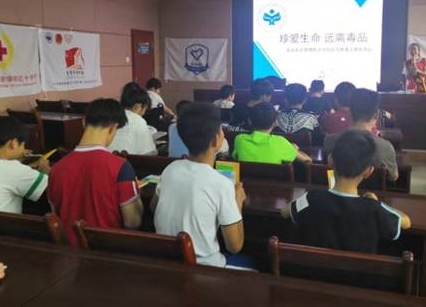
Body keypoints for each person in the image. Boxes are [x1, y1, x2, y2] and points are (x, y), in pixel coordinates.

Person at [281, 130, 411, 253]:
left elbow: (284, 212)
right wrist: (374, 201)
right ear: (369, 171)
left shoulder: (311, 198)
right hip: (356, 270)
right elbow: (406, 222)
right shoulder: (374, 208)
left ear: (330, 160)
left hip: (313, 269)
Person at [152, 102, 246, 268]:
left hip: (167, 260)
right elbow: (235, 246)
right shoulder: (221, 184)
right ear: (216, 139)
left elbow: (153, 207)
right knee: (254, 262)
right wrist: (237, 203)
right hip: (205, 268)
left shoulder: (170, 169)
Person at [48, 99, 143, 245]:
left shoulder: (56, 169)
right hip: (108, 250)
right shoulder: (121, 166)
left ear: (84, 122)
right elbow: (132, 222)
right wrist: (136, 195)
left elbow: (56, 215)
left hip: (68, 251)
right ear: (113, 128)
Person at [323, 89, 399, 181]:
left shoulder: (330, 141)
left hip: (335, 188)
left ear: (350, 113)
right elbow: (393, 177)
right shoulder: (385, 147)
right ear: (376, 116)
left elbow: (329, 173)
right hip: (373, 190)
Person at [0, 116, 50, 214]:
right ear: (14, 143)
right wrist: (44, 168)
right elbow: (51, 189)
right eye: (23, 145)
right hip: (2, 224)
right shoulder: (13, 169)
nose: (23, 150)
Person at [233, 102, 311, 165]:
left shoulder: (240, 140)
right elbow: (307, 160)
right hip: (276, 180)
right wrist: (294, 149)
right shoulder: (281, 142)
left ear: (250, 121)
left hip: (244, 180)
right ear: (275, 122)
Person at [108, 85, 157, 155]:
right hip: (128, 160)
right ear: (138, 107)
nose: (143, 114)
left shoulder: (110, 115)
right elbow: (149, 153)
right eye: (144, 110)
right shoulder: (138, 121)